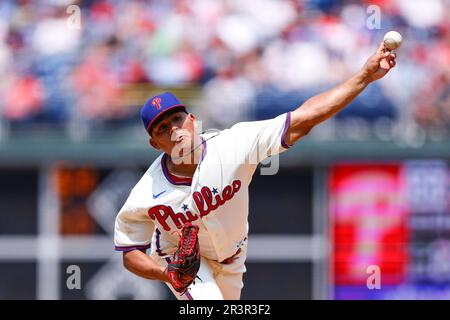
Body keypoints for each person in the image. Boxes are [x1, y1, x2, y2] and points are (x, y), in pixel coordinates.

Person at [114, 42, 397, 300]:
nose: (174, 130)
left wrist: (363, 77)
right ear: (154, 143)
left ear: (192, 119)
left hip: (234, 260)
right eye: (163, 129)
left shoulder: (233, 144)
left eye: (176, 119)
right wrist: (167, 274)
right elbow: (129, 251)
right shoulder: (147, 192)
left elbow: (304, 118)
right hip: (184, 266)